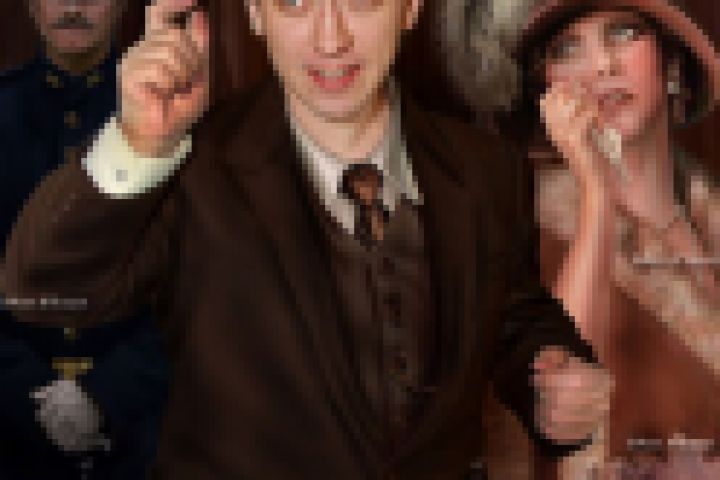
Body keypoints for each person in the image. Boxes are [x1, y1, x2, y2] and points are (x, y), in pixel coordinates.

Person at [2, 0, 615, 477]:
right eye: (295, 3)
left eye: (361, 2)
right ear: (255, 13)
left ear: (410, 8)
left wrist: (549, 384)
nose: (330, 40)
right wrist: (138, 144)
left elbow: (513, 315)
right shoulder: (190, 166)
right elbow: (40, 292)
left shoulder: (487, 169)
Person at [506, 0, 719, 478]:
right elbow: (564, 421)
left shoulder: (707, 220)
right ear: (547, 88)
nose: (601, 65)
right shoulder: (525, 232)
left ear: (671, 64)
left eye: (623, 33)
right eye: (566, 48)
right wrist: (596, 192)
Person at [0, 0, 170, 478]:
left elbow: (198, 287)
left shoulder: (172, 111)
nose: (73, 7)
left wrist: (107, 395)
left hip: (143, 435)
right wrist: (31, 397)